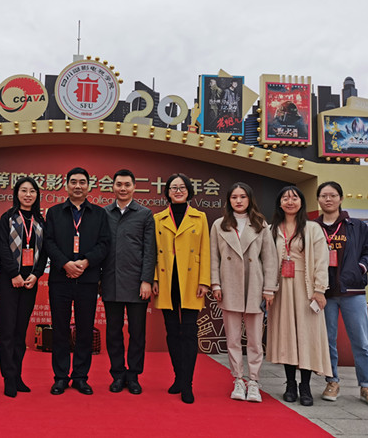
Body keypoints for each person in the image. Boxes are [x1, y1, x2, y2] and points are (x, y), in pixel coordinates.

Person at [44, 167, 110, 395]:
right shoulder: (54, 213)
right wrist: (65, 264)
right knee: (60, 329)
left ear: (89, 186)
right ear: (66, 185)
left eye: (82, 182)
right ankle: (61, 377)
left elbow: (104, 244)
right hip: (60, 279)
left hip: (88, 279)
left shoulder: (99, 214)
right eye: (73, 182)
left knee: (84, 330)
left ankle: (81, 377)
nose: (78, 186)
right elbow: (48, 242)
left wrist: (85, 262)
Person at [210, 182, 278, 402]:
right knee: (232, 339)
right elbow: (214, 257)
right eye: (234, 197)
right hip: (228, 285)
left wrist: (269, 289)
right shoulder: (219, 225)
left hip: (255, 286)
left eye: (242, 197)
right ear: (228, 200)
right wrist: (215, 284)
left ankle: (254, 381)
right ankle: (238, 379)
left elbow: (269, 259)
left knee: (255, 340)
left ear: (250, 199)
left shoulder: (260, 224)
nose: (238, 201)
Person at [266, 186, 331, 406]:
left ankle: (305, 386)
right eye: (285, 198)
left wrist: (320, 289)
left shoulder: (312, 228)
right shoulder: (271, 229)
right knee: (287, 336)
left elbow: (321, 260)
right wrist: (268, 288)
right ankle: (290, 384)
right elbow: (266, 261)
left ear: (302, 202)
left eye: (294, 198)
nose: (290, 201)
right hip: (281, 288)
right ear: (279, 203)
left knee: (306, 336)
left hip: (306, 288)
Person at [315, 181, 368, 408]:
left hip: (353, 291)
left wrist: (360, 268)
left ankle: (367, 385)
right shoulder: (313, 227)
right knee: (327, 340)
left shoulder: (356, 226)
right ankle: (332, 382)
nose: (328, 199)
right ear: (318, 200)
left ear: (340, 198)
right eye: (324, 195)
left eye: (332, 195)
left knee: (360, 341)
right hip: (324, 293)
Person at [152, 173, 210, 404]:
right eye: (173, 187)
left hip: (191, 281)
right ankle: (178, 377)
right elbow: (153, 252)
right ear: (167, 192)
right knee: (172, 332)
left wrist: (204, 281)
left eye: (182, 187)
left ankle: (187, 383)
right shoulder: (158, 219)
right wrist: (154, 278)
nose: (178, 191)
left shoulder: (200, 217)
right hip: (166, 280)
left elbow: (205, 249)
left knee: (189, 332)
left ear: (188, 191)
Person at [101, 169, 155, 395]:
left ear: (134, 187)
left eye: (127, 185)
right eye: (119, 184)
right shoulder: (104, 213)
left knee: (137, 333)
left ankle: (133, 375)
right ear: (112, 187)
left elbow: (149, 250)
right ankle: (117, 374)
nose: (122, 189)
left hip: (136, 284)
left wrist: (146, 280)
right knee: (113, 332)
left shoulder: (145, 214)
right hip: (110, 281)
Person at [0, 176, 47, 398]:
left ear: (37, 195)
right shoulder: (7, 218)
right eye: (24, 190)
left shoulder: (40, 221)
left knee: (20, 331)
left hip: (29, 283)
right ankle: (8, 377)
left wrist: (36, 275)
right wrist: (14, 274)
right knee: (7, 331)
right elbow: (1, 248)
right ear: (16, 193)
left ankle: (17, 375)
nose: (28, 195)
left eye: (32, 191)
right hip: (9, 282)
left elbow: (44, 252)